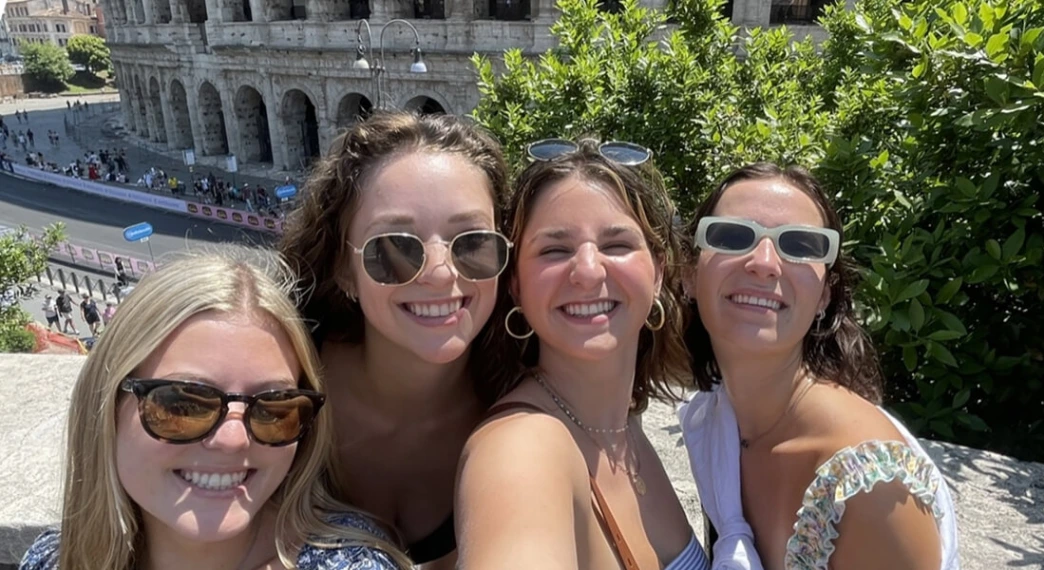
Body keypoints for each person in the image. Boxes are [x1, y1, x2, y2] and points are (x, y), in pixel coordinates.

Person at [19, 246, 409, 570]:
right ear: (106, 406)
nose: (233, 440)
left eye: (273, 409)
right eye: (184, 404)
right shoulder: (51, 559)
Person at [677, 163, 960, 569]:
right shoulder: (719, 419)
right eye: (733, 236)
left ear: (825, 294)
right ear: (689, 274)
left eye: (802, 245)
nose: (764, 262)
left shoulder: (871, 490)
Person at [455, 139, 708, 570]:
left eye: (616, 245)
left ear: (659, 269)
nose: (589, 271)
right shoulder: (522, 452)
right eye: (555, 250)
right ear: (515, 282)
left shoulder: (622, 424)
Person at [278, 111, 510, 569]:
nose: (441, 273)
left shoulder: (521, 398)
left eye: (472, 241)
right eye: (395, 247)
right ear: (343, 268)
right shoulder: (277, 388)